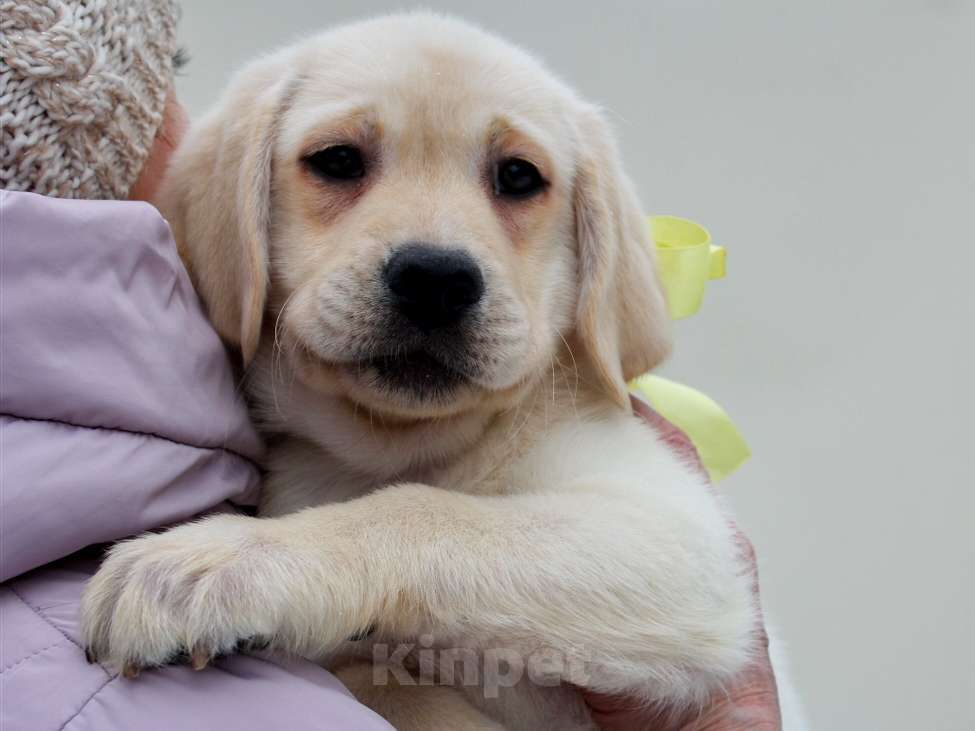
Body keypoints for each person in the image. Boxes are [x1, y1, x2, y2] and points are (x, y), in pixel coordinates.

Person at [0, 2, 782, 728]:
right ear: (233, 207)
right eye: (339, 162)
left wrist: (357, 555)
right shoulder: (214, 488)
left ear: (590, 250)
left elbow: (695, 608)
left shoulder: (566, 439)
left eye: (517, 179)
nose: (440, 255)